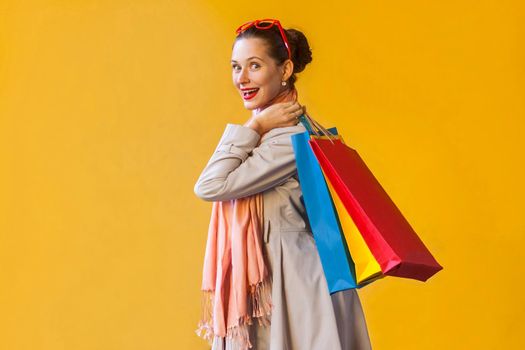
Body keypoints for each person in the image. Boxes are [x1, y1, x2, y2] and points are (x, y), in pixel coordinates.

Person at [194, 18, 372, 350]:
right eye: (236, 67)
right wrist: (257, 126)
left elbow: (211, 185)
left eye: (254, 65)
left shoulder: (289, 136)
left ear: (285, 69)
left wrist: (256, 124)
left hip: (292, 286)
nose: (242, 78)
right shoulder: (279, 131)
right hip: (279, 279)